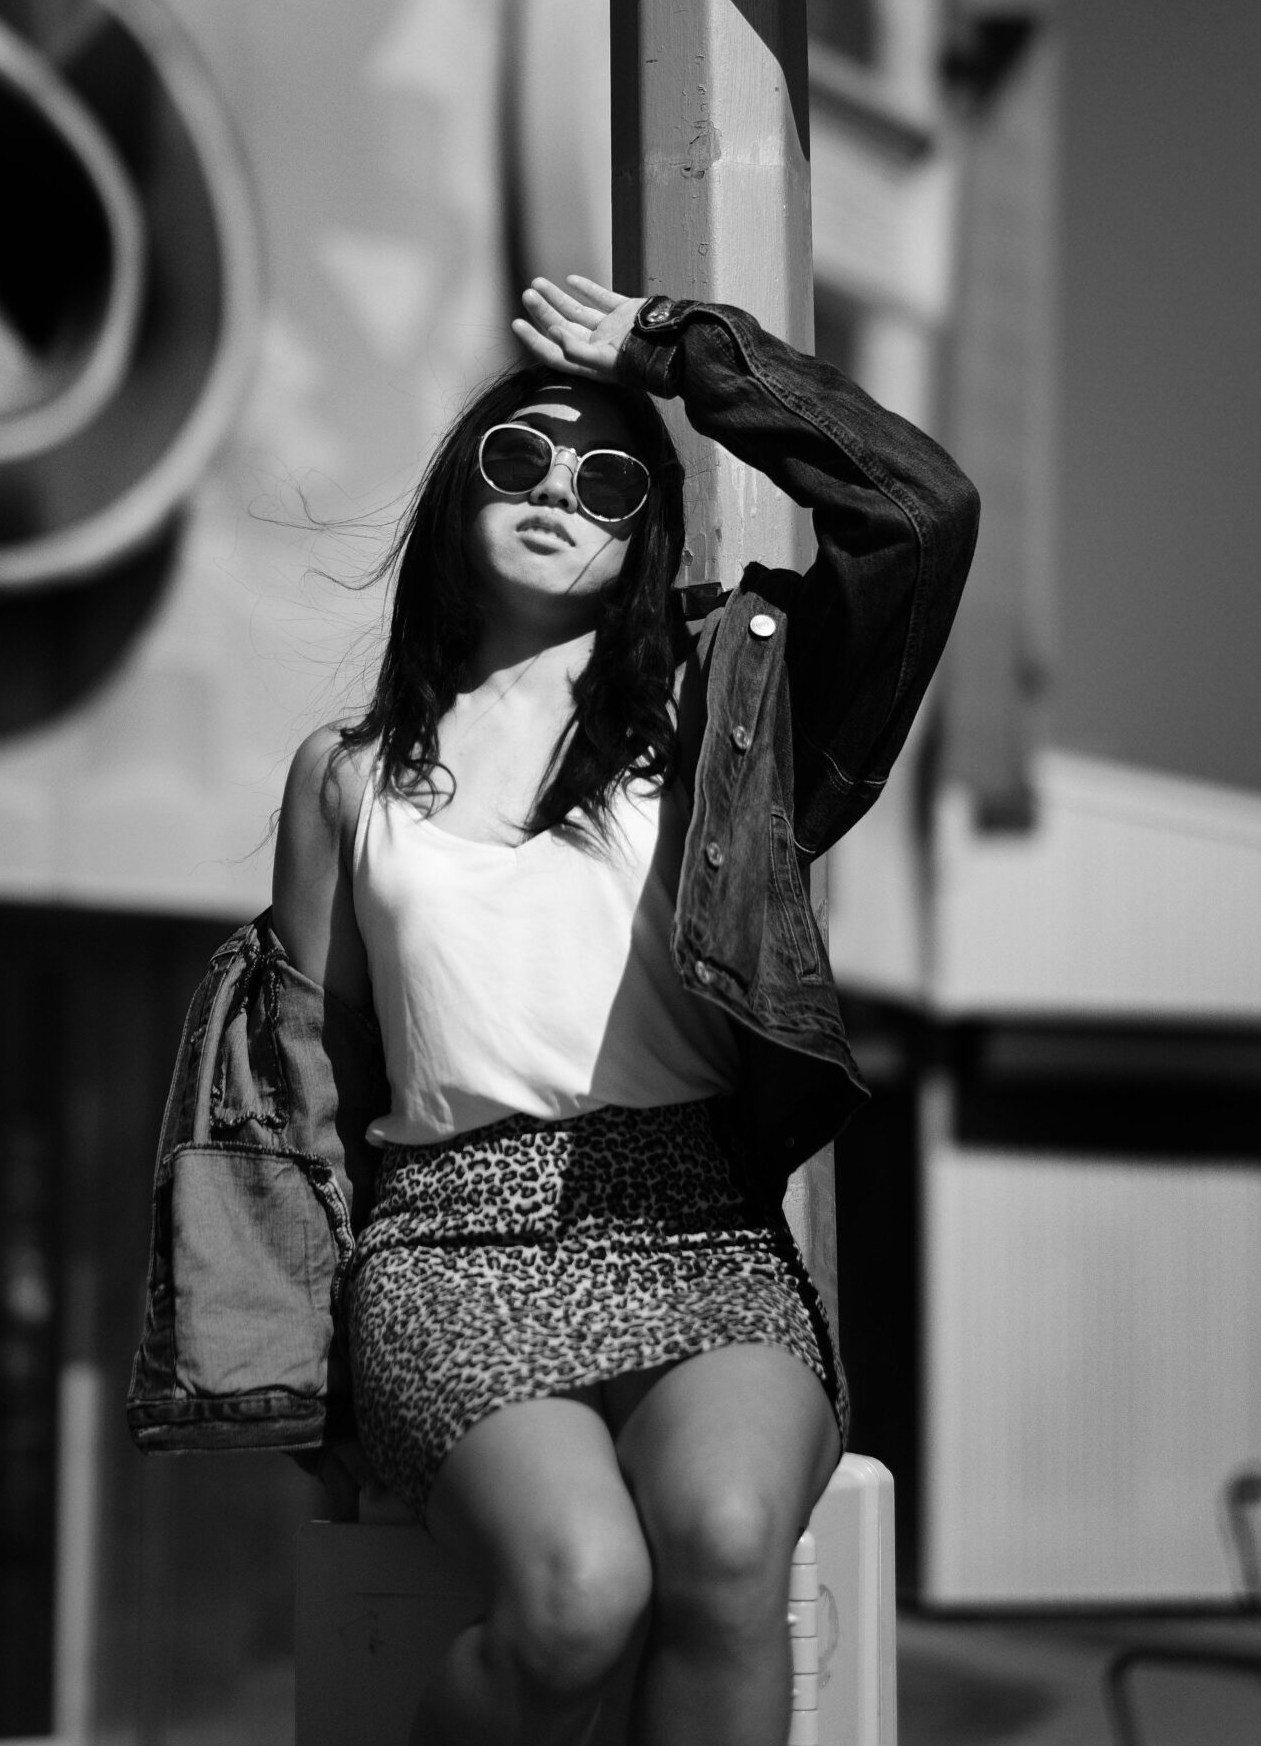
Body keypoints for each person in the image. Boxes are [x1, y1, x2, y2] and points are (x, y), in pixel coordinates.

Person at [269, 276, 978, 1746]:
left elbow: (917, 514)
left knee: (726, 1551)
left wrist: (681, 356)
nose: (557, 494)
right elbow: (306, 1076)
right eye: (517, 458)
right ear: (461, 488)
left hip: (695, 1225)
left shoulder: (725, 711)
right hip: (451, 1248)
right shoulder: (348, 769)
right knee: (579, 1597)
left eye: (604, 480)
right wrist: (297, 1375)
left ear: (641, 528)